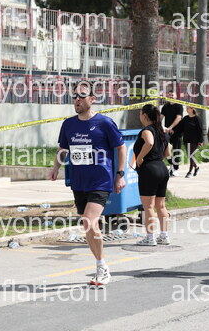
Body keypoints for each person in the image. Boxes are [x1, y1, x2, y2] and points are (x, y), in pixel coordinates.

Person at [49, 81, 126, 286]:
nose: (77, 100)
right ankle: (101, 265)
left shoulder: (105, 123)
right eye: (74, 96)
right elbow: (63, 149)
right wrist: (56, 168)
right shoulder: (68, 124)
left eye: (82, 96)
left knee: (89, 222)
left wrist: (120, 174)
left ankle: (102, 267)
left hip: (101, 181)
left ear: (92, 99)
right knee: (89, 226)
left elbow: (121, 147)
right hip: (79, 182)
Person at [133, 104, 171, 246]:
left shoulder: (147, 130)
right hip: (162, 168)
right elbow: (168, 153)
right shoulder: (163, 131)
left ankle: (150, 238)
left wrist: (139, 158)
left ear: (144, 115)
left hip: (149, 170)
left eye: (140, 114)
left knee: (148, 206)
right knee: (161, 206)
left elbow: (149, 142)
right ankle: (164, 236)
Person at [161, 88, 183, 176]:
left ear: (176, 96)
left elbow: (178, 118)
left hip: (177, 132)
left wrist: (170, 127)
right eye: (169, 95)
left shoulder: (179, 106)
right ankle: (171, 165)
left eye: (172, 95)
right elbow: (161, 117)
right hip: (167, 132)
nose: (171, 96)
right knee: (165, 149)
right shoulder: (165, 106)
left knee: (176, 151)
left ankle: (175, 169)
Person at [181, 106, 204, 178]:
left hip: (194, 140)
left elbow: (200, 130)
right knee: (189, 155)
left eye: (188, 108)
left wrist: (200, 140)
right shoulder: (185, 118)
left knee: (191, 155)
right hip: (186, 139)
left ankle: (190, 172)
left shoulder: (197, 118)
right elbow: (180, 127)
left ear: (192, 109)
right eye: (186, 108)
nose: (187, 109)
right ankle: (196, 167)